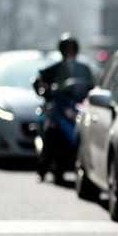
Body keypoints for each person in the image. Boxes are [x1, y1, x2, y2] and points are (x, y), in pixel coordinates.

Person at [34, 33, 93, 183]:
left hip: (76, 107)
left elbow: (91, 85)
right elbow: (38, 81)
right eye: (67, 49)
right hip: (59, 107)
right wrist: (47, 92)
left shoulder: (83, 68)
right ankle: (42, 169)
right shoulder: (55, 68)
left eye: (72, 49)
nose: (70, 53)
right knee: (51, 134)